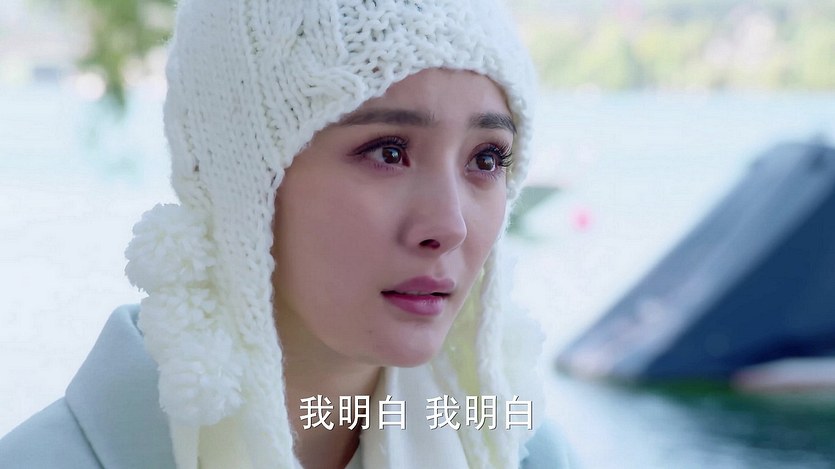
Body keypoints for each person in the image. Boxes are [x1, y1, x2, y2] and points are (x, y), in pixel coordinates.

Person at [0, 0, 569, 467]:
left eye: (487, 159)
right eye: (388, 152)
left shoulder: (520, 452)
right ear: (241, 176)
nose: (449, 226)